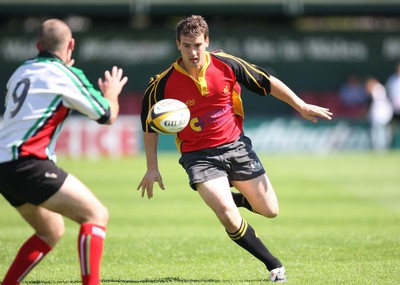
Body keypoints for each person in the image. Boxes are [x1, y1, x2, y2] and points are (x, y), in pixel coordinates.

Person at [137, 15, 332, 283]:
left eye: (197, 45)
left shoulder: (227, 64)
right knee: (228, 216)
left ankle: (233, 198)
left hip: (236, 146)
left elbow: (267, 81)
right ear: (177, 45)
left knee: (270, 210)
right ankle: (273, 265)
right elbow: (149, 125)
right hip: (199, 157)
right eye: (186, 46)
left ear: (207, 41)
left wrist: (300, 105)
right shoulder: (162, 83)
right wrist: (152, 167)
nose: (192, 52)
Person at [0, 19, 128, 285]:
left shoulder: (20, 72)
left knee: (51, 230)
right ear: (71, 45)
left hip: (3, 165)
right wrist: (112, 93)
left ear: (38, 46)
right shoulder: (65, 75)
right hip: (29, 163)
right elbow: (107, 115)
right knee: (96, 215)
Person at [365, 77, 394, 151]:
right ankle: (380, 148)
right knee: (379, 132)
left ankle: (382, 149)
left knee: (381, 133)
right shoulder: (378, 89)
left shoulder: (378, 89)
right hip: (380, 115)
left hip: (382, 115)